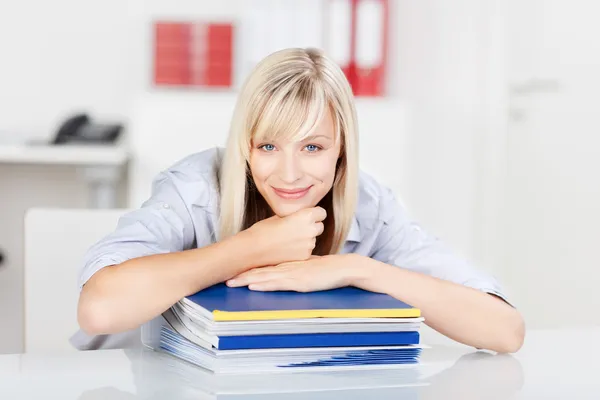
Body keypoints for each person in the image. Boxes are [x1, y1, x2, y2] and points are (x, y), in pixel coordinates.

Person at [72, 48, 525, 353]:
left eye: (313, 147)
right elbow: (99, 310)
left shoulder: (370, 204)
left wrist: (357, 268)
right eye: (268, 146)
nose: (289, 174)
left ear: (342, 147)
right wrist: (249, 248)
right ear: (244, 146)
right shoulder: (196, 187)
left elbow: (504, 331)